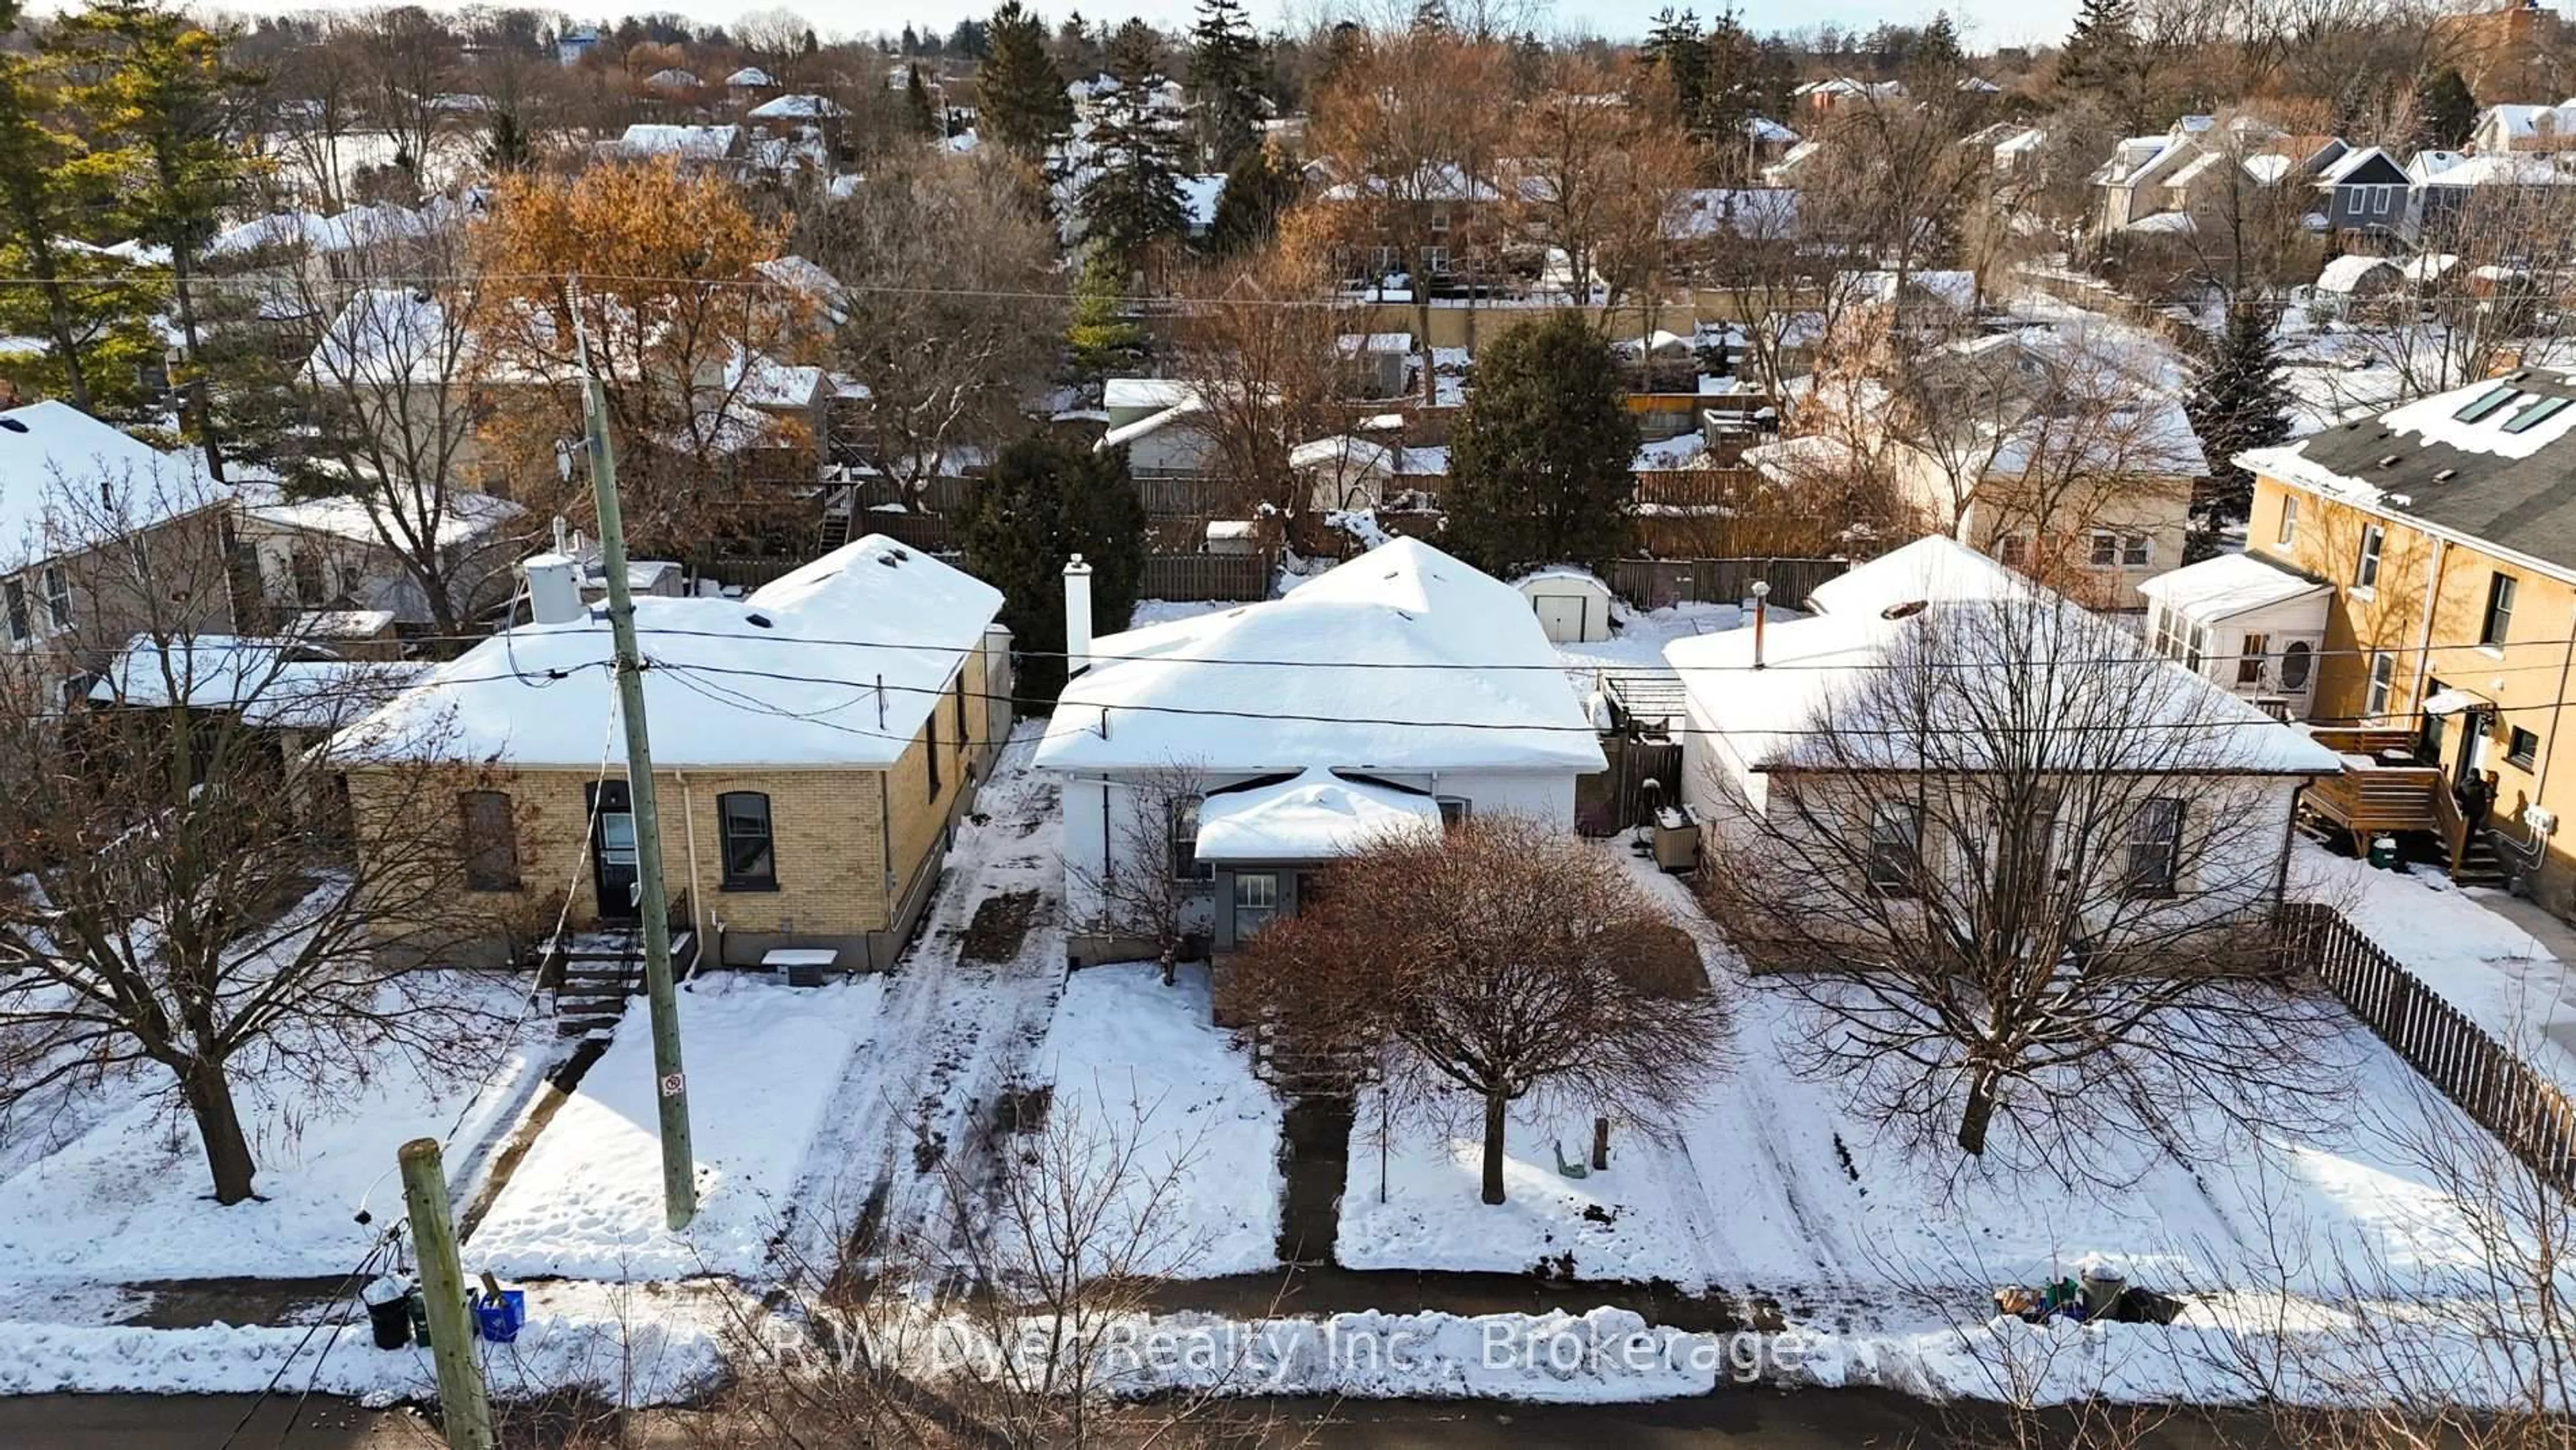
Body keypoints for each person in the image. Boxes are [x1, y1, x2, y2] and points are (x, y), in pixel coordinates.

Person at [2458, 768, 2495, 835]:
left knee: (2467, 827)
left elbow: (2459, 795)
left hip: (2469, 809)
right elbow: (2491, 794)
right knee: (2471, 827)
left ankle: (2464, 840)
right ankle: (2467, 841)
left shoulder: (2465, 783)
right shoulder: (2482, 784)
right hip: (2476, 811)